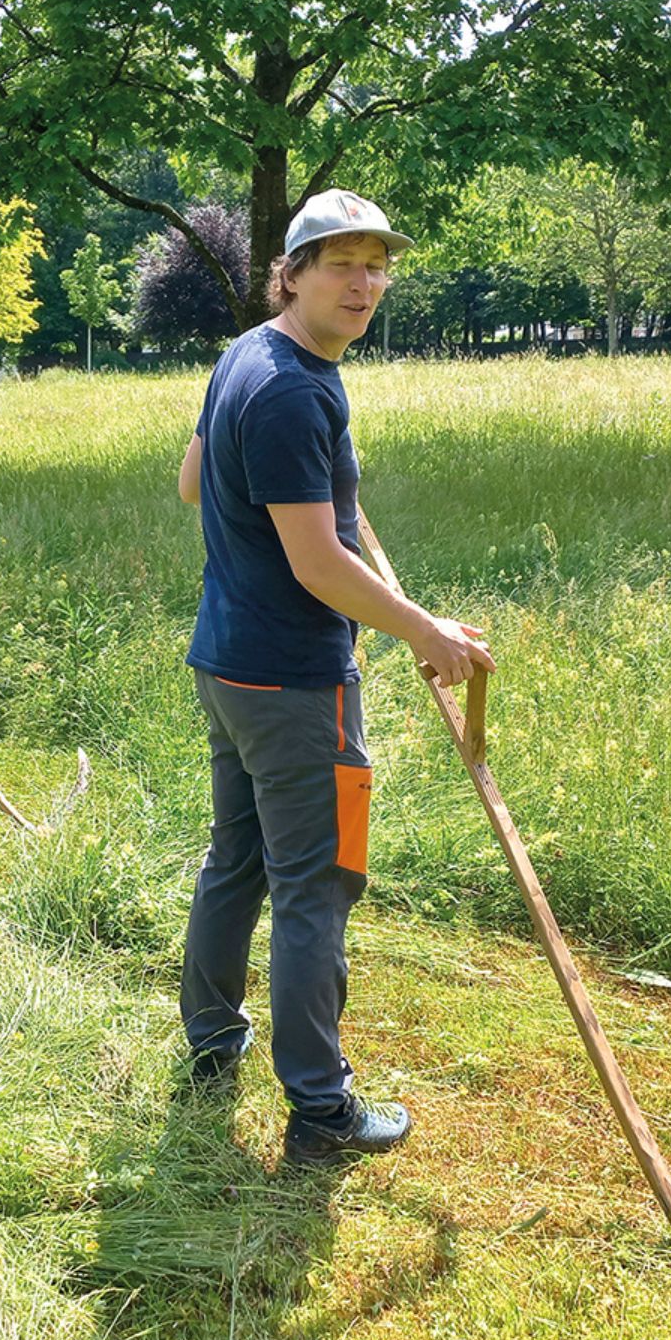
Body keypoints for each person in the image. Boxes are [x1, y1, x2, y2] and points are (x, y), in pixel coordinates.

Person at [175, 190, 493, 1165]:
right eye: (341, 263)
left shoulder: (251, 354)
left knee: (238, 861)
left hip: (227, 667)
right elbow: (315, 563)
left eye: (377, 264)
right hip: (295, 685)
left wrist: (320, 500)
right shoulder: (294, 390)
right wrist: (421, 631)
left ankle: (210, 1048)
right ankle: (321, 1110)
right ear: (294, 272)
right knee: (318, 884)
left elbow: (193, 481)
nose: (364, 283)